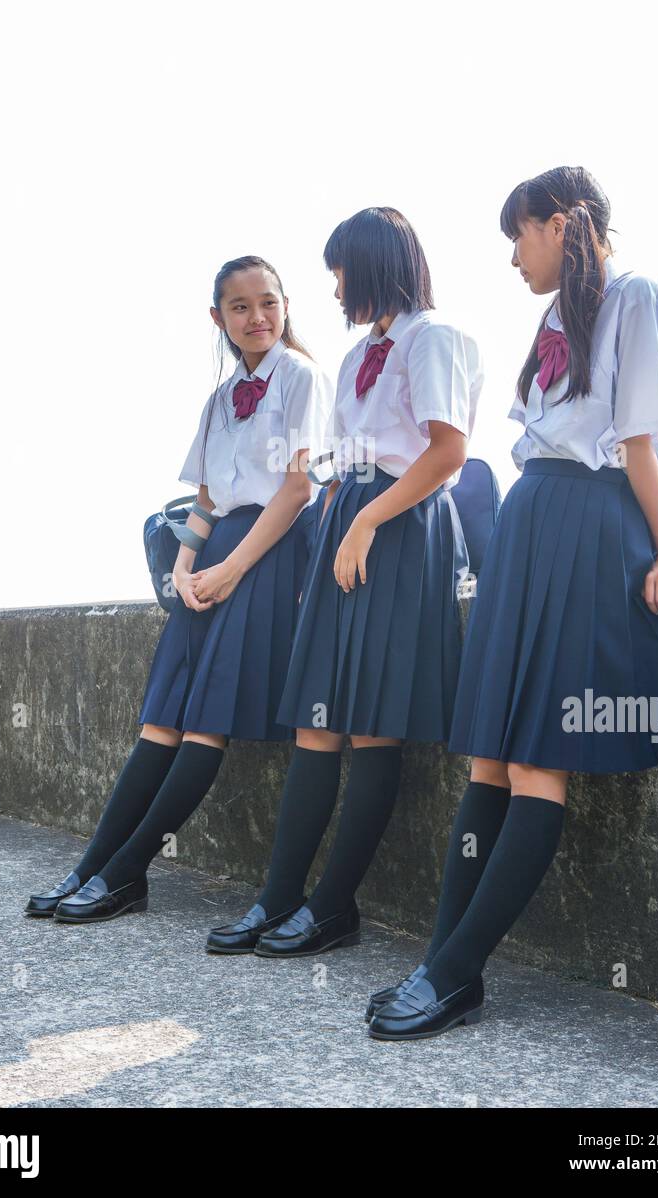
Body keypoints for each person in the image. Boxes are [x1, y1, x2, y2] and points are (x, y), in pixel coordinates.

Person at [367, 165, 658, 1040]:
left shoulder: (638, 295)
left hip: (588, 525)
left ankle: (453, 972)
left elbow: (637, 441)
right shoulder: (558, 311)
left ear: (560, 221)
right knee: (488, 754)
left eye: (520, 234)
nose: (513, 255)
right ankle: (444, 961)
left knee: (535, 760)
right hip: (531, 517)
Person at [207, 206, 484, 957]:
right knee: (316, 723)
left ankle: (333, 907)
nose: (332, 289)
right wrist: (338, 526)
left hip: (397, 524)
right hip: (349, 520)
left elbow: (446, 454)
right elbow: (341, 461)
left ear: (369, 265)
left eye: (339, 273)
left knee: (372, 723)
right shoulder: (368, 347)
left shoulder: (435, 337)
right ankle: (277, 897)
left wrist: (366, 523)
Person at [24, 255, 334, 924]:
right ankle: (93, 867)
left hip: (267, 554)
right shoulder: (220, 398)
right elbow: (204, 498)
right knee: (160, 720)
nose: (257, 318)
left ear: (285, 305)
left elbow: (297, 490)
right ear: (217, 316)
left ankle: (125, 873)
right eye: (241, 307)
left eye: (269, 303)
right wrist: (185, 566)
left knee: (205, 725)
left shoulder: (301, 377)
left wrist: (232, 569)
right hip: (215, 555)